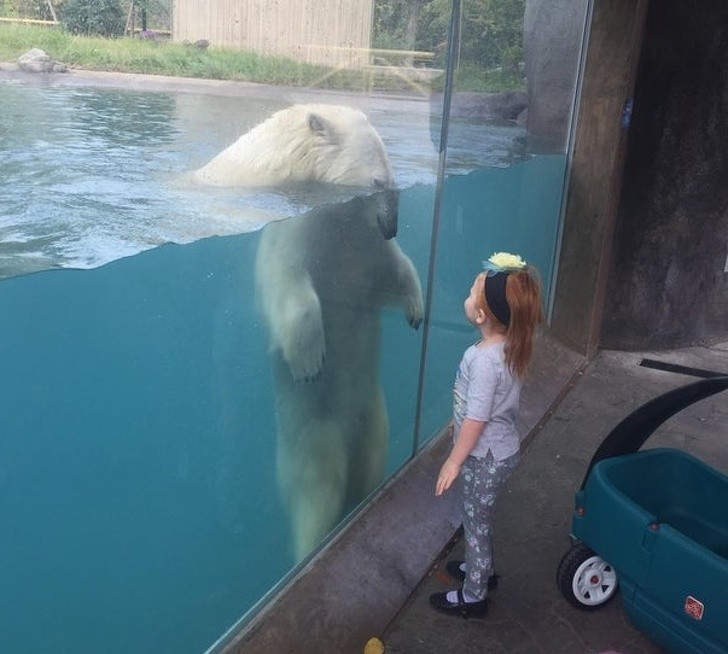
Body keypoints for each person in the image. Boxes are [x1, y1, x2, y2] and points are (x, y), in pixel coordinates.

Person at [429, 252, 544, 618]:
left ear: (480, 315)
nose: (465, 297)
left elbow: (477, 419)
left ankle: (474, 595)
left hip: (485, 456)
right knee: (479, 515)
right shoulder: (511, 345)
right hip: (501, 450)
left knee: (475, 522)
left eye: (469, 294)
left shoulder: (482, 362)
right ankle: (484, 570)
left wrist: (453, 459)